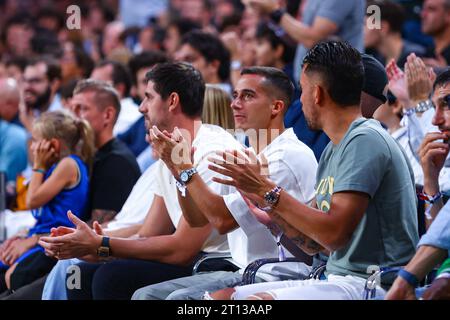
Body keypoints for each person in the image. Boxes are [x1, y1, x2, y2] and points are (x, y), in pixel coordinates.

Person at [206, 41, 419, 300]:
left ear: (317, 93)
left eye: (303, 91)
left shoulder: (365, 140)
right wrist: (267, 208)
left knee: (254, 304)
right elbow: (313, 245)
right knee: (222, 297)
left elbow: (333, 235)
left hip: (374, 282)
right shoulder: (334, 148)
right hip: (335, 276)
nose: (300, 101)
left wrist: (265, 189)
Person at [38, 62, 240, 300]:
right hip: (194, 257)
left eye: (148, 97)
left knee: (110, 277)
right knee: (82, 271)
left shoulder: (211, 153)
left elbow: (182, 250)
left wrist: (101, 245)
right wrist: (90, 246)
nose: (141, 108)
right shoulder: (170, 150)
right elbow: (149, 232)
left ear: (172, 101)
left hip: (215, 264)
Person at [132, 66, 318, 300]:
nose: (235, 104)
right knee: (145, 296)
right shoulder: (247, 154)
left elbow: (221, 220)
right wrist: (177, 170)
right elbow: (198, 219)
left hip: (278, 275)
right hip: (247, 270)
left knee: (176, 300)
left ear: (276, 107)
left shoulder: (284, 157)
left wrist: (185, 169)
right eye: (235, 95)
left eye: (248, 96)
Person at [0, 110, 94, 295]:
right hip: (40, 236)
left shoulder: (68, 164)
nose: (32, 146)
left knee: (10, 277)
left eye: (36, 140)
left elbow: (32, 201)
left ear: (53, 144)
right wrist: (23, 235)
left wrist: (38, 166)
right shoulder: (58, 166)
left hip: (53, 242)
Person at [70, 79, 141, 225]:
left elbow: (98, 228)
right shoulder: (90, 154)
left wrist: (39, 238)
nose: (74, 117)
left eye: (82, 108)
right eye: (73, 109)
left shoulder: (116, 162)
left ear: (107, 115)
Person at [246, 0, 365, 83]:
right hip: (311, 84)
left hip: (336, 84)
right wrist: (269, 15)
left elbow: (312, 39)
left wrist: (276, 12)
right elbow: (300, 38)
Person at [364, 0, 426, 67]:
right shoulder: (377, 59)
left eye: (364, 24)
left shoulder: (416, 57)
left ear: (383, 28)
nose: (361, 31)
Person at [89, 60, 141, 136]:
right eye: (89, 84)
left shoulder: (131, 118)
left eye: (97, 84)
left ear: (119, 89)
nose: (90, 91)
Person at [175, 30, 232, 95]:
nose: (181, 65)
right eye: (179, 61)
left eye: (189, 60)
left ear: (213, 65)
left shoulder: (228, 99)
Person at [421, 0, 450, 67]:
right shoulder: (429, 51)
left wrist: (444, 72)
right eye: (423, 9)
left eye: (431, 9)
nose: (423, 15)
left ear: (448, 15)